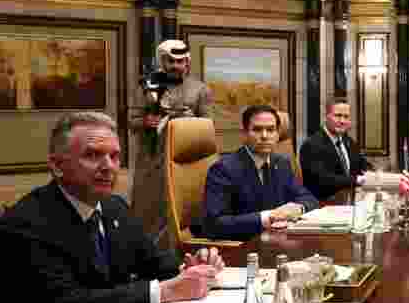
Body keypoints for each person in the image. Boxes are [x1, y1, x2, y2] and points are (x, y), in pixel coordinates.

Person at [0, 112, 223, 303]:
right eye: (92, 156)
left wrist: (189, 267)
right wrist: (164, 292)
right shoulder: (24, 224)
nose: (108, 166)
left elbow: (153, 262)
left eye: (115, 156)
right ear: (57, 166)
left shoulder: (115, 207)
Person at [130, 39, 212, 248]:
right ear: (162, 62)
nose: (176, 66)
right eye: (170, 61)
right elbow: (131, 120)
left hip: (186, 160)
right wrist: (146, 121)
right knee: (149, 206)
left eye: (180, 61)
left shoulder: (200, 89)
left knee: (183, 206)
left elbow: (208, 128)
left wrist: (188, 119)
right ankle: (146, 253)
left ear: (187, 63)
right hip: (152, 158)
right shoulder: (148, 87)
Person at [203, 104, 319, 240]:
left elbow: (310, 199)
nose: (264, 136)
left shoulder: (281, 163)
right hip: (244, 247)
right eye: (257, 130)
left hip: (277, 242)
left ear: (277, 135)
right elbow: (215, 225)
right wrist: (268, 217)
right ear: (244, 134)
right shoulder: (224, 169)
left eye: (271, 130)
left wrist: (298, 208)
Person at [299, 97, 372, 200]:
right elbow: (322, 180)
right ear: (326, 116)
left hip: (349, 202)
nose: (342, 121)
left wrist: (377, 175)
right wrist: (357, 179)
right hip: (323, 205)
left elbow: (363, 165)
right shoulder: (311, 145)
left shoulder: (349, 141)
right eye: (338, 116)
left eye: (346, 117)